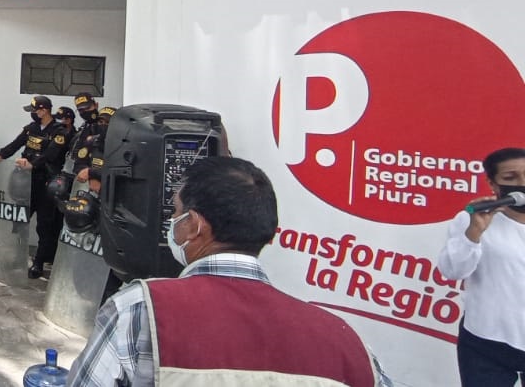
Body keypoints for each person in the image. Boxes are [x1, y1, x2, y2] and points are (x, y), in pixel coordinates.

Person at [67, 156, 391, 387]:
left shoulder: (138, 310)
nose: (173, 222)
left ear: (194, 225)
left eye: (176, 213)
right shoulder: (348, 344)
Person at [437, 147, 525, 387]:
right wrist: (474, 232)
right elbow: (452, 271)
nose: (522, 183)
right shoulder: (471, 219)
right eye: (510, 177)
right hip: (486, 340)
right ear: (493, 184)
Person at [0, 95, 67, 279]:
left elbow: (51, 154)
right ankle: (16, 257)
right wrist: (1, 155)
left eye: (35, 110)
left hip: (45, 183)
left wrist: (33, 164)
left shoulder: (59, 131)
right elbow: (16, 144)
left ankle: (39, 262)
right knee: (19, 221)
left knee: (44, 225)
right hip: (26, 182)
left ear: (44, 110)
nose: (33, 114)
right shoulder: (31, 129)